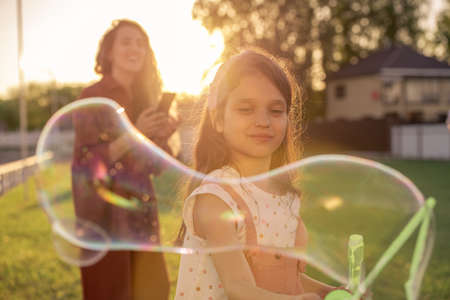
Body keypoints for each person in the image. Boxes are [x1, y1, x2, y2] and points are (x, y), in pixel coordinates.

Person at [174, 49, 339, 300]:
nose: (263, 121)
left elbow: (285, 278)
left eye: (275, 111)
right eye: (246, 109)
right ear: (218, 119)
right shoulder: (217, 196)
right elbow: (239, 288)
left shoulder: (285, 197)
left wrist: (331, 293)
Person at [71, 19, 176, 300]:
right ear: (109, 52)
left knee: (153, 291)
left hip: (142, 216)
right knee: (112, 292)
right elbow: (87, 164)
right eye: (126, 41)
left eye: (141, 43)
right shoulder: (92, 97)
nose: (135, 48)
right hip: (105, 219)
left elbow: (159, 166)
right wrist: (137, 133)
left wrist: (162, 137)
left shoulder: (146, 99)